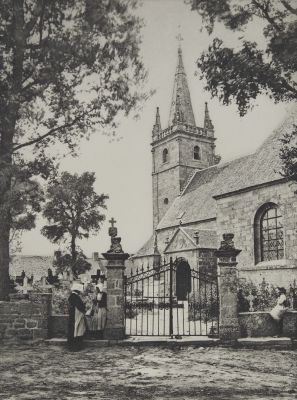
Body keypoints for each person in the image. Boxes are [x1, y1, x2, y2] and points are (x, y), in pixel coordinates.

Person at [68, 282, 86, 351]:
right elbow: (79, 306)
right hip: (76, 315)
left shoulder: (72, 296)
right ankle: (75, 347)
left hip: (74, 315)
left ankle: (73, 346)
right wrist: (83, 309)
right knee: (77, 330)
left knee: (75, 330)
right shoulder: (75, 296)